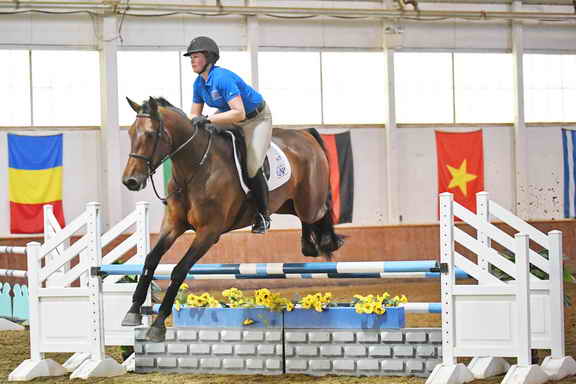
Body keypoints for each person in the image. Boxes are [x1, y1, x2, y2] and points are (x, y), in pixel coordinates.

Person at [184, 36, 272, 234]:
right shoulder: (198, 84)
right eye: (191, 57)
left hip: (255, 119)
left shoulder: (222, 78)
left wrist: (206, 120)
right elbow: (194, 115)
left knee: (252, 165)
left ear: (208, 58)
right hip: (229, 116)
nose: (192, 60)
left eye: (196, 56)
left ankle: (263, 215)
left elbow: (239, 113)